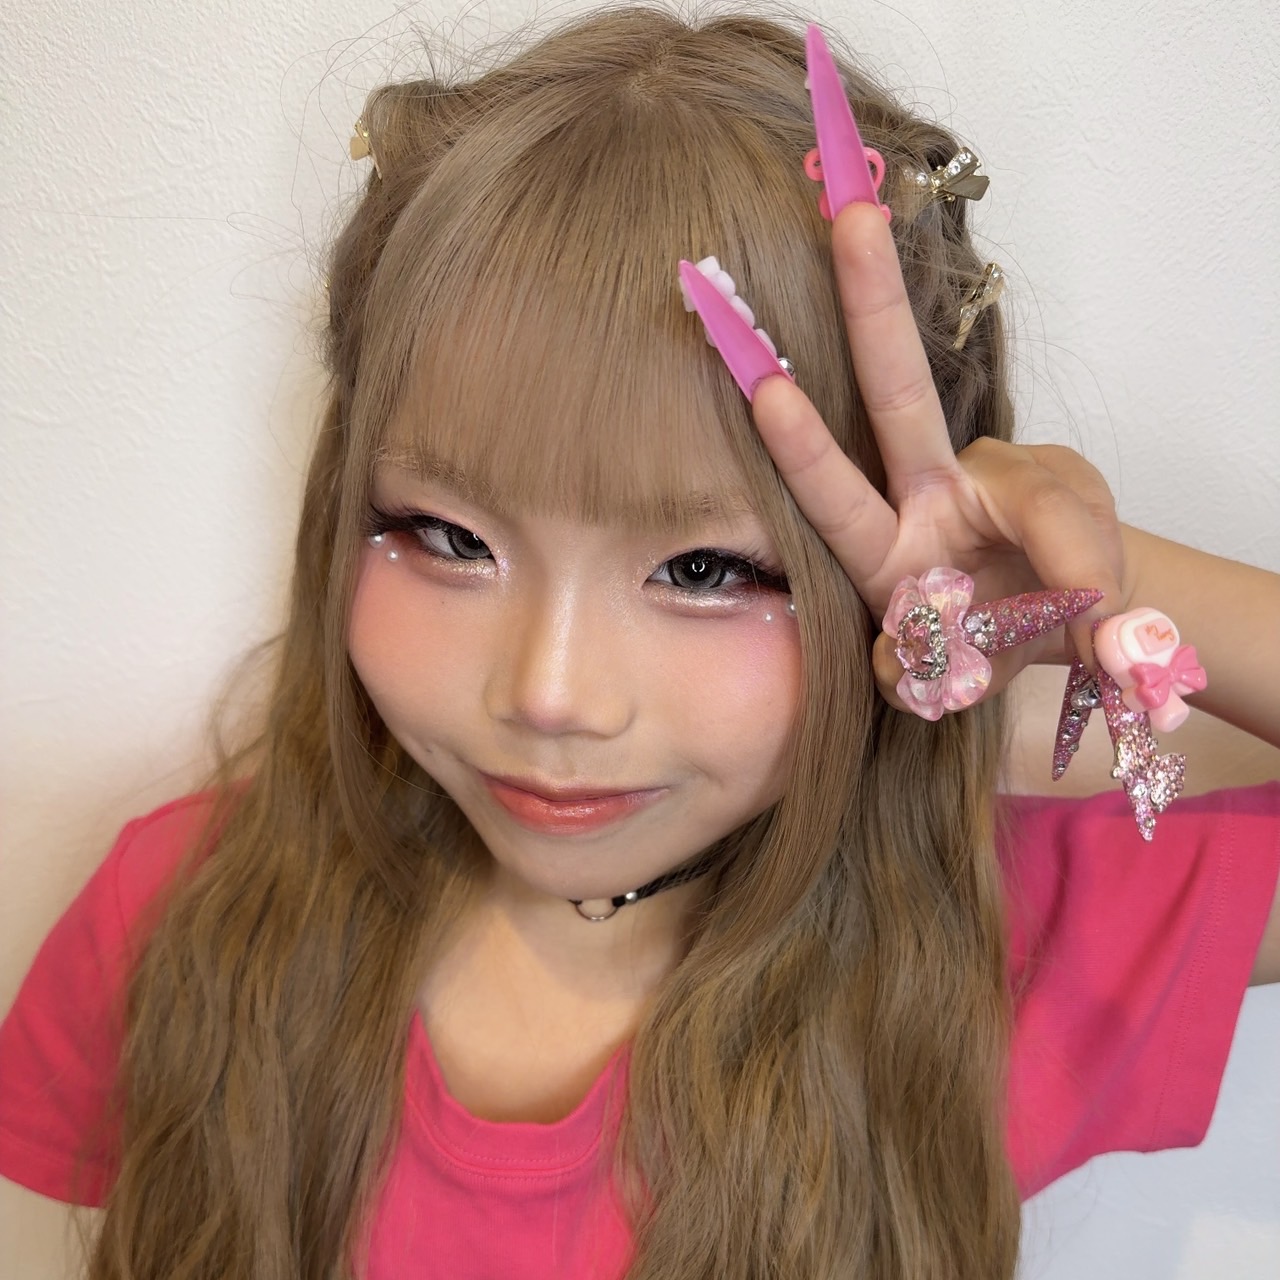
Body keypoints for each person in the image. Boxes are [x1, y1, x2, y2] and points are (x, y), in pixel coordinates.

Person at [1, 6, 1277, 1278]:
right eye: (447, 538)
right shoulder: (180, 916)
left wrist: (1083, 590)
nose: (550, 692)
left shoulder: (1005, 955)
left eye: (705, 569)